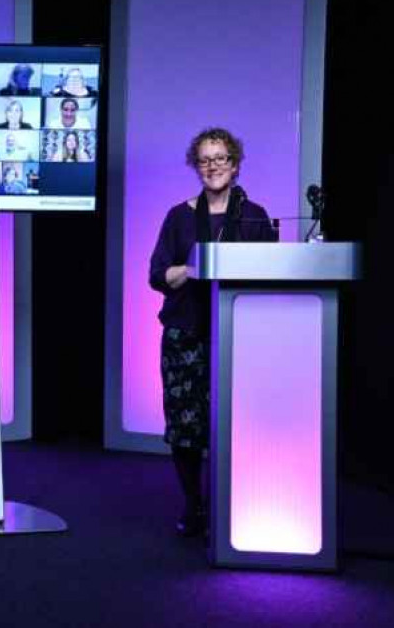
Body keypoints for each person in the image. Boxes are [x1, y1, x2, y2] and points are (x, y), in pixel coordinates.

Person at [148, 127, 277, 537]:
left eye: (221, 158)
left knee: (241, 424)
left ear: (235, 165)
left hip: (240, 334)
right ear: (196, 167)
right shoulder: (179, 216)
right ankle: (194, 506)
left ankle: (241, 504)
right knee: (186, 429)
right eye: (205, 159)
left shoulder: (253, 215)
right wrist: (194, 266)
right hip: (186, 334)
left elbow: (271, 275)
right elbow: (156, 275)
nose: (213, 166)